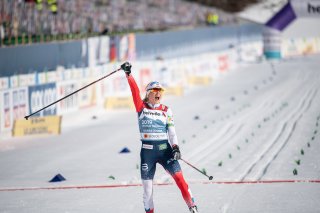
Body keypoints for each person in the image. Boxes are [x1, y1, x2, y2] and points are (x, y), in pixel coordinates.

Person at [121, 62, 199, 213]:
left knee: (180, 179)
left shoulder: (166, 110)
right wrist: (128, 74)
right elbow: (134, 91)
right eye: (155, 91)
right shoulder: (141, 107)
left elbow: (172, 131)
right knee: (147, 190)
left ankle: (193, 208)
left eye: (160, 91)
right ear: (148, 93)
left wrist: (175, 147)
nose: (158, 94)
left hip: (165, 151)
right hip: (147, 153)